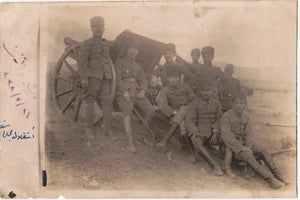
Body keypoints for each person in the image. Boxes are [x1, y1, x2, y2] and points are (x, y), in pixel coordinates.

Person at [220, 92, 289, 188]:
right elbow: (226, 136)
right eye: (236, 103)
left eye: (241, 103)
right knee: (247, 155)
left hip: (245, 145)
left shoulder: (246, 116)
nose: (239, 106)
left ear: (245, 104)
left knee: (263, 149)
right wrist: (242, 147)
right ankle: (270, 180)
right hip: (232, 148)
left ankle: (278, 175)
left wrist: (248, 146)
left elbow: (250, 133)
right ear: (232, 104)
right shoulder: (226, 116)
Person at [77, 16, 116, 140]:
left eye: (100, 26)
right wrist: (84, 77)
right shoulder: (87, 43)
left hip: (106, 76)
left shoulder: (106, 43)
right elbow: (81, 62)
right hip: (93, 75)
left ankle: (107, 129)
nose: (98, 29)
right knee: (89, 101)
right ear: (91, 28)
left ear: (104, 28)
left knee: (107, 102)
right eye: (95, 26)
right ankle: (89, 129)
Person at [115, 43, 155, 153]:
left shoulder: (138, 66)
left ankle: (141, 135)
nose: (133, 51)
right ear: (127, 50)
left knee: (150, 111)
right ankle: (130, 143)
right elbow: (117, 79)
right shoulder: (120, 63)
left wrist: (142, 91)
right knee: (127, 115)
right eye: (131, 48)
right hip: (124, 93)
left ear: (138, 51)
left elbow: (143, 80)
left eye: (135, 49)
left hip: (137, 92)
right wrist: (124, 91)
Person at [155, 65, 197, 159]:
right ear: (168, 78)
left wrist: (188, 108)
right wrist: (174, 113)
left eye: (176, 77)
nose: (173, 80)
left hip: (188, 111)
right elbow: (162, 105)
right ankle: (192, 152)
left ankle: (164, 141)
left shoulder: (185, 87)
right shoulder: (165, 90)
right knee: (181, 124)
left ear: (179, 78)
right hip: (175, 113)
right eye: (171, 77)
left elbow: (194, 100)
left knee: (184, 109)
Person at [185, 82, 224, 176]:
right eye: (203, 90)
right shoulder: (194, 104)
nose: (206, 93)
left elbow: (220, 118)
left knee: (230, 139)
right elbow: (189, 120)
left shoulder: (216, 103)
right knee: (196, 141)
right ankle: (214, 165)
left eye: (208, 90)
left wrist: (216, 129)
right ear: (200, 92)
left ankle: (237, 164)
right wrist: (194, 131)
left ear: (212, 91)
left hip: (215, 131)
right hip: (202, 131)